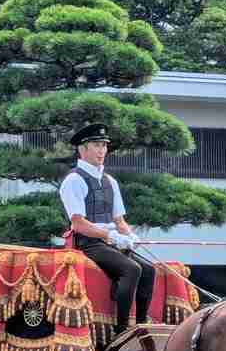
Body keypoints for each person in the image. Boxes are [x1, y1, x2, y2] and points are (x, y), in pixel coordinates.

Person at [59, 123, 155, 337]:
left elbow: (119, 220)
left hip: (109, 243)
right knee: (132, 269)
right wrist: (110, 236)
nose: (102, 150)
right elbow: (78, 224)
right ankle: (121, 331)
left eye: (104, 145)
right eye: (96, 145)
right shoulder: (73, 180)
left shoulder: (110, 181)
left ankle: (141, 326)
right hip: (88, 244)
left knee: (149, 269)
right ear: (82, 149)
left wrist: (129, 235)